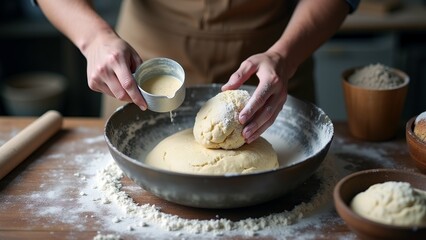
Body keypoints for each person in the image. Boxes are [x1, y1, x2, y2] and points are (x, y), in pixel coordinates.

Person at [37, 0, 359, 143]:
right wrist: (94, 38)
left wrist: (284, 56)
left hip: (271, 65)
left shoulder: (280, 60)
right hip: (141, 64)